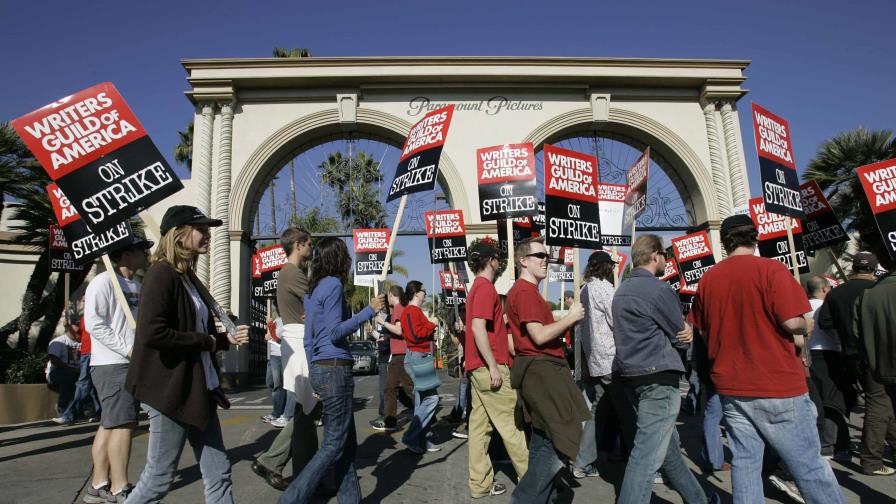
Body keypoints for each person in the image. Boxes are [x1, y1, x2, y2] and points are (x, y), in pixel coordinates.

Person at [690, 214, 844, 504]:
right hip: (777, 383)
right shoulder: (771, 270)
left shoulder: (709, 279)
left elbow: (701, 328)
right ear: (755, 237)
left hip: (732, 387)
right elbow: (790, 322)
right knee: (808, 465)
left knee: (746, 464)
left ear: (724, 243)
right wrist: (806, 324)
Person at [125, 205, 249, 504]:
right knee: (158, 480)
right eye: (201, 229)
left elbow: (196, 336)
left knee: (218, 474)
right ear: (180, 235)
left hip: (197, 390)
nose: (207, 235)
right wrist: (209, 341)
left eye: (208, 230)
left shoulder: (187, 277)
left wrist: (223, 339)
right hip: (170, 392)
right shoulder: (161, 274)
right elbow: (152, 333)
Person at [278, 237, 384, 504]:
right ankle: (291, 498)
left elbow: (309, 339)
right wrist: (368, 311)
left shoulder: (313, 292)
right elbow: (336, 332)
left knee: (346, 443)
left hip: (321, 367)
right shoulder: (334, 286)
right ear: (339, 258)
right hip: (336, 368)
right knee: (334, 443)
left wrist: (315, 370)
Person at [612, 234, 716, 504]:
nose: (666, 261)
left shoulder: (621, 291)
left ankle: (700, 500)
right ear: (655, 255)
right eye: (665, 256)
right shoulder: (659, 291)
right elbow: (680, 333)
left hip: (633, 378)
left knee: (668, 454)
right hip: (658, 378)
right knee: (646, 458)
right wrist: (687, 331)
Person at [505, 236, 587, 504]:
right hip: (543, 373)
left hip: (541, 372)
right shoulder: (525, 292)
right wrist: (571, 318)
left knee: (543, 442)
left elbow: (519, 339)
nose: (545, 260)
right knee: (559, 440)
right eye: (539, 256)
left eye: (546, 256)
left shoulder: (526, 292)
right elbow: (538, 336)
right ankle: (524, 499)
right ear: (523, 261)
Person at [82, 236, 152, 503]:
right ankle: (119, 488)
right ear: (125, 254)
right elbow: (94, 324)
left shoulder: (136, 284)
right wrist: (127, 348)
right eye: (141, 250)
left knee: (110, 424)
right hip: (112, 363)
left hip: (129, 362)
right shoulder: (102, 282)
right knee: (123, 424)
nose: (147, 254)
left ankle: (99, 484)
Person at [464, 241, 529, 498]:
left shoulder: (477, 289)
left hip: (477, 368)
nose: (500, 263)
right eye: (498, 259)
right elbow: (479, 327)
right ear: (491, 260)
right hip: (490, 367)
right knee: (512, 427)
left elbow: (480, 327)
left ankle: (480, 484)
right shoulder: (485, 288)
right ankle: (533, 483)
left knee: (480, 429)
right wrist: (493, 365)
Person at [822, 251, 894, 474]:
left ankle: (872, 458)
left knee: (880, 404)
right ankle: (871, 458)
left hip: (864, 357)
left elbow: (847, 329)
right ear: (873, 269)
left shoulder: (851, 294)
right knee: (880, 406)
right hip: (874, 356)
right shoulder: (871, 290)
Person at [572, 250, 634, 479]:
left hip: (596, 360)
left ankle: (582, 462)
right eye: (612, 266)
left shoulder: (584, 290)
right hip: (612, 360)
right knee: (629, 412)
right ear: (606, 267)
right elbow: (618, 322)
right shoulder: (606, 290)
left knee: (599, 412)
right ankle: (644, 463)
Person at [804, 275, 852, 461]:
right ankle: (833, 445)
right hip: (829, 354)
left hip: (809, 357)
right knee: (833, 402)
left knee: (819, 401)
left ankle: (829, 443)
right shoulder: (828, 307)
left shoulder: (803, 308)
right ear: (824, 289)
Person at [399, 280, 442, 454]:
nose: (425, 293)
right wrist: (432, 324)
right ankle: (412, 436)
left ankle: (422, 439)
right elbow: (416, 335)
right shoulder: (410, 311)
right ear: (416, 293)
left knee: (422, 400)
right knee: (432, 399)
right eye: (423, 290)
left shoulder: (413, 311)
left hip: (420, 357)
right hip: (418, 358)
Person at [372, 285, 415, 431]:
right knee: (390, 388)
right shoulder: (402, 308)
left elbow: (398, 329)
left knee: (407, 388)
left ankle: (426, 413)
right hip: (398, 355)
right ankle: (390, 421)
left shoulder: (397, 309)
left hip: (400, 355)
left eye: (388, 297)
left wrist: (382, 322)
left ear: (391, 295)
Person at [59, 305, 102, 426]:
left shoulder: (99, 314)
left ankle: (69, 415)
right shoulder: (83, 318)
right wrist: (68, 326)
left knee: (83, 383)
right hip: (86, 352)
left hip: (93, 352)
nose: (83, 302)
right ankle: (99, 413)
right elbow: (77, 334)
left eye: (85, 300)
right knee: (90, 385)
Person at [262, 305, 294, 429]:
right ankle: (280, 409)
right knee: (269, 383)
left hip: (279, 356)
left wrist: (270, 324)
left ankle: (277, 412)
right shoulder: (276, 320)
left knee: (277, 385)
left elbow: (277, 337)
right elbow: (271, 336)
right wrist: (267, 336)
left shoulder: (284, 320)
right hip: (271, 355)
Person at [48, 313, 83, 424]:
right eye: (76, 324)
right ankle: (63, 410)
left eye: (80, 324)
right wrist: (73, 370)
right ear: (69, 326)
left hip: (78, 372)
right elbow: (55, 361)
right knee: (67, 378)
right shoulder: (58, 342)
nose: (79, 327)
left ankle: (96, 412)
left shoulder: (84, 341)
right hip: (58, 373)